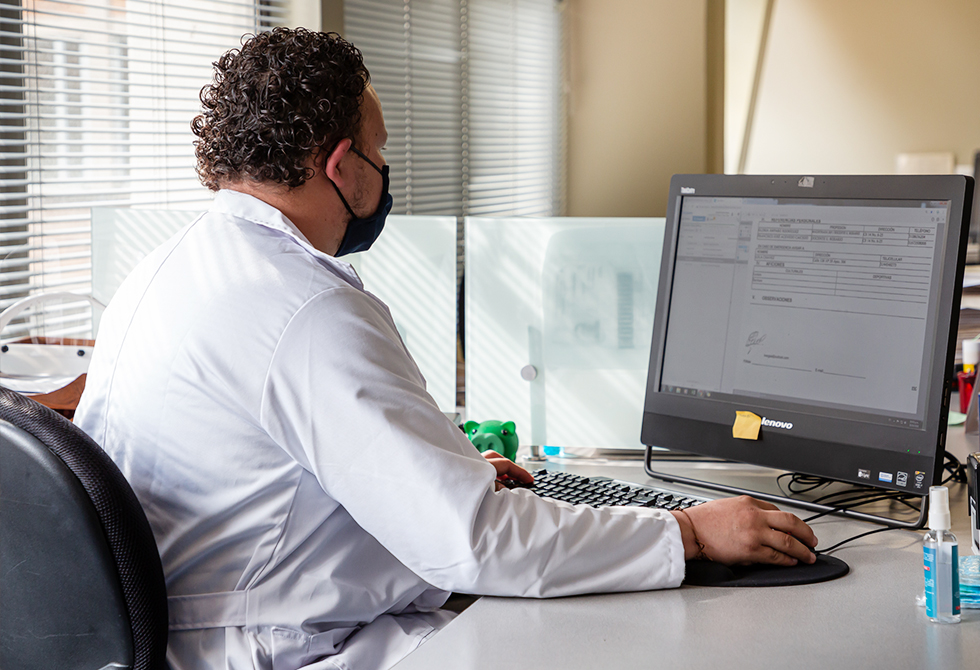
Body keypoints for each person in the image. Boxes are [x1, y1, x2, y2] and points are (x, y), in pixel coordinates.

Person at [74, 27, 818, 670]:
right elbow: (477, 544)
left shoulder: (169, 267)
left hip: (183, 632)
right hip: (277, 645)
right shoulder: (306, 308)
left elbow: (265, 472)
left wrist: (445, 471)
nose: (384, 171)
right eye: (378, 152)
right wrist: (687, 532)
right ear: (341, 166)